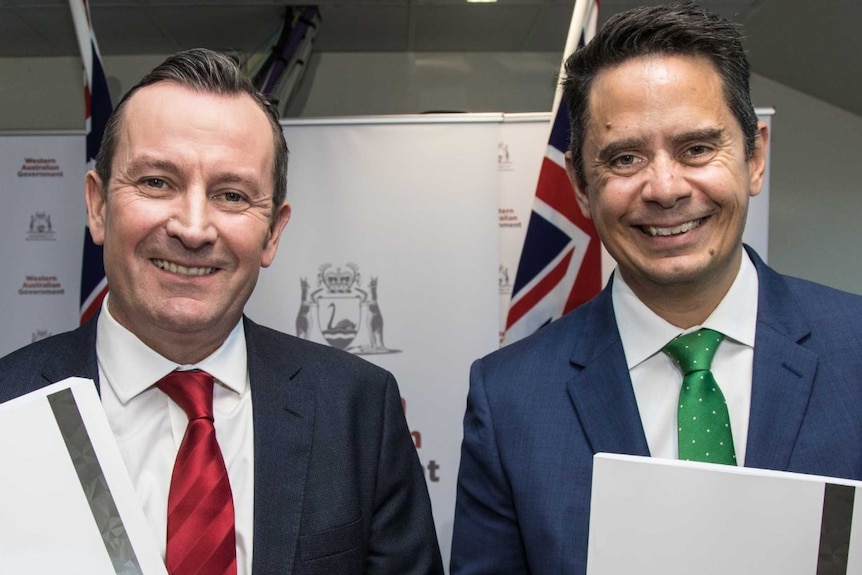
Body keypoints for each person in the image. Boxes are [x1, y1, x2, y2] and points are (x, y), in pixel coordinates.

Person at [450, 3, 862, 574]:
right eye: (625, 158)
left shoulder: (857, 350)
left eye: (696, 148)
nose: (665, 189)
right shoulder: (511, 400)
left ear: (755, 156)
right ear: (581, 185)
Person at [0, 48, 443, 575]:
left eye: (231, 195)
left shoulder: (359, 410)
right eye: (156, 182)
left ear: (273, 232)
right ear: (98, 206)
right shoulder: (10, 408)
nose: (192, 228)